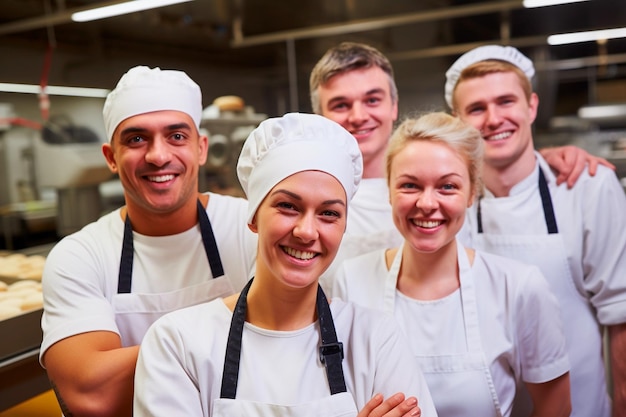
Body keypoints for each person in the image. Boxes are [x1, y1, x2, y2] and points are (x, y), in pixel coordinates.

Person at [133, 112, 438, 417]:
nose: (306, 231)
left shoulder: (375, 338)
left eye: (329, 213)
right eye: (288, 206)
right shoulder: (178, 343)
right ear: (253, 216)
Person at [39, 66, 258, 417]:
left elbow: (289, 355)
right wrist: (241, 324)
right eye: (137, 139)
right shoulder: (80, 256)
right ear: (111, 157)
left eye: (176, 136)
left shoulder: (253, 228)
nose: (158, 156)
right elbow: (93, 395)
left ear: (200, 148)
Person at [309, 42, 614, 291]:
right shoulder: (309, 196)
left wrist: (547, 156)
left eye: (372, 100)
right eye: (340, 104)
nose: (359, 116)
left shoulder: (579, 184)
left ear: (394, 105)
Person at [333, 112, 571, 417]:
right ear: (389, 192)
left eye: (447, 187)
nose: (427, 203)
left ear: (472, 192)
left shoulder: (518, 286)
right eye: (409, 186)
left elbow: (557, 405)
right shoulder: (351, 280)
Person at [445, 45, 626, 417]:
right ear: (457, 120)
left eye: (506, 101)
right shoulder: (447, 205)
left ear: (531, 106)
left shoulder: (590, 188)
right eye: (476, 109)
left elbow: (620, 318)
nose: (493, 119)